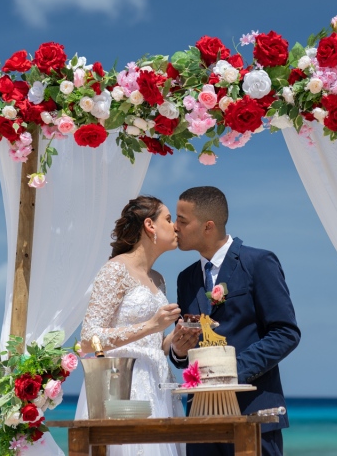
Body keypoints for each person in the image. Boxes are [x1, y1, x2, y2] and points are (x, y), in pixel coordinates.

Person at [169, 186, 301, 456]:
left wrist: (231, 372)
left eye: (182, 220)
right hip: (200, 417)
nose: (174, 226)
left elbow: (285, 333)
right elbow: (186, 348)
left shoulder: (259, 262)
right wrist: (179, 352)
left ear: (208, 226)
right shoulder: (186, 278)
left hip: (254, 412)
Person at [75, 195, 185, 456]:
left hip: (158, 386)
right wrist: (151, 325)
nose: (176, 226)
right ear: (150, 225)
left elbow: (155, 343)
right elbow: (88, 339)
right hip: (122, 388)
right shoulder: (114, 270)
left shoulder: (158, 279)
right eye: (169, 220)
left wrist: (177, 338)